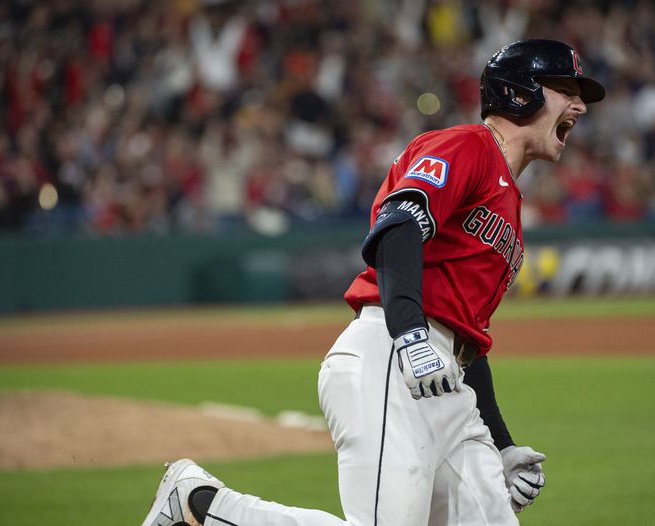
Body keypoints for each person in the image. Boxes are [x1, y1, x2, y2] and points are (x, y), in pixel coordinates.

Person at [140, 39, 605, 526]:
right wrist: (409, 333)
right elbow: (399, 226)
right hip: (391, 356)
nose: (578, 105)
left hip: (446, 381)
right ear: (520, 92)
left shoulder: (510, 200)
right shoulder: (468, 146)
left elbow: (470, 337)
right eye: (564, 88)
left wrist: (503, 445)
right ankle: (198, 503)